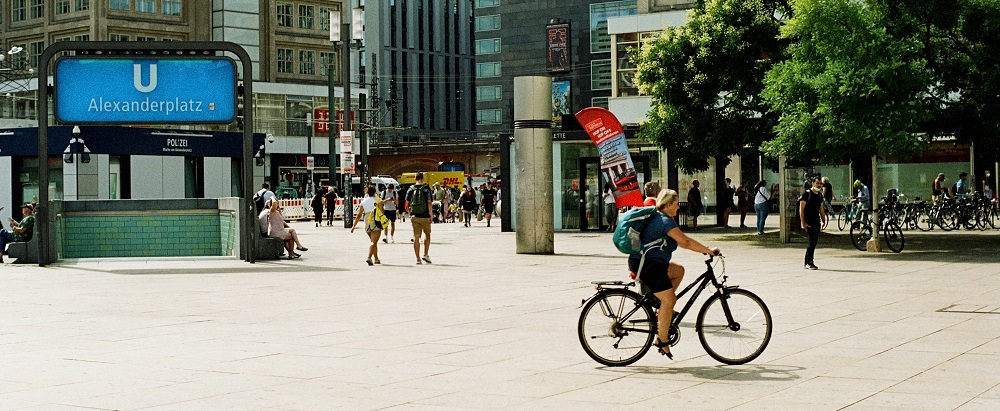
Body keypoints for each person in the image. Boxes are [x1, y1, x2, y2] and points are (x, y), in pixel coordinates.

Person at [628, 189, 721, 359]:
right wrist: (708, 250)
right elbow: (685, 241)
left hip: (651, 262)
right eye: (676, 204)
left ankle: (658, 304)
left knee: (678, 271)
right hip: (649, 265)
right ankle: (662, 341)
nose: (678, 208)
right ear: (669, 204)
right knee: (670, 299)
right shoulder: (664, 221)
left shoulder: (659, 218)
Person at [350, 185, 383, 266]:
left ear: (367, 192)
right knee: (374, 242)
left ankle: (376, 258)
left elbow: (359, 215)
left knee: (373, 241)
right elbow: (382, 212)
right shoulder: (378, 200)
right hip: (376, 221)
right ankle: (369, 257)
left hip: (367, 222)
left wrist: (354, 226)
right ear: (375, 192)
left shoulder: (363, 202)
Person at [406, 172, 433, 264]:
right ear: (422, 178)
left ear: (415, 178)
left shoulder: (410, 189)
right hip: (425, 216)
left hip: (414, 216)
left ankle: (418, 258)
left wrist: (410, 213)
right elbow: (429, 202)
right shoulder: (426, 189)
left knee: (416, 236)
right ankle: (425, 254)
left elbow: (406, 204)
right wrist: (431, 215)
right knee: (427, 235)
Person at [799, 177, 826, 270]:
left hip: (816, 221)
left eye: (820, 184)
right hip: (808, 221)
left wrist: (823, 220)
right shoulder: (806, 194)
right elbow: (801, 210)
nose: (819, 185)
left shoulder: (819, 195)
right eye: (817, 183)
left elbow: (821, 209)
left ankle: (808, 261)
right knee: (812, 240)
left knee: (814, 241)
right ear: (813, 183)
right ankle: (809, 262)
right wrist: (803, 223)